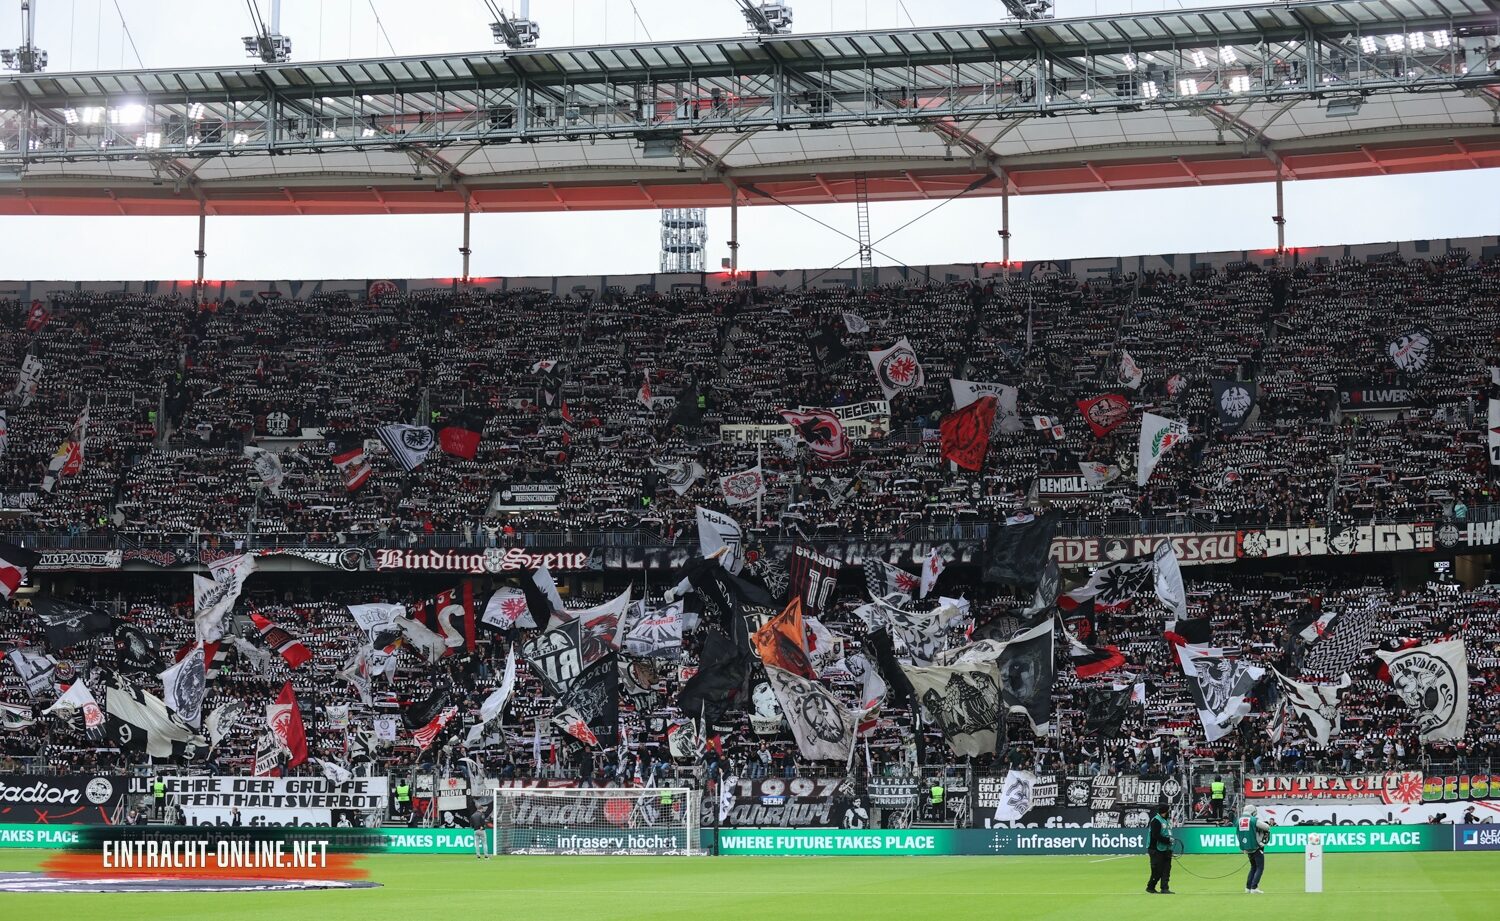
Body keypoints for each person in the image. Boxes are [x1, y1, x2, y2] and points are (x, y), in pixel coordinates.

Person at [1237, 804, 1272, 893]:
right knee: (1260, 867)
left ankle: (1248, 887)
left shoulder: (1239, 820)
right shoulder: (1253, 820)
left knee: (1253, 867)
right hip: (1256, 846)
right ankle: (1254, 887)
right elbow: (1266, 827)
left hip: (1246, 847)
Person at [1146, 799, 1175, 895]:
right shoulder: (1156, 821)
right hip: (1155, 849)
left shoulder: (1166, 820)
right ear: (1165, 811)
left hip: (1166, 848)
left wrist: (1169, 842)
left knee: (1167, 869)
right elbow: (1155, 835)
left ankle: (1165, 888)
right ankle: (1150, 887)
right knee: (1157, 870)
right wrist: (1168, 840)